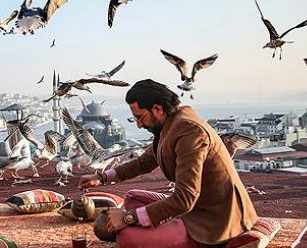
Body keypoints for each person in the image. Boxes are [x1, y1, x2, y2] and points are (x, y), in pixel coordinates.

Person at [79, 79, 258, 248]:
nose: (139, 125)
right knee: (133, 197)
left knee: (127, 239)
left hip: (214, 218)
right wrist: (101, 177)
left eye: (140, 118)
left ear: (157, 109)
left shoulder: (189, 132)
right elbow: (144, 162)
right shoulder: (170, 124)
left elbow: (184, 199)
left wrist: (127, 218)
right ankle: (163, 225)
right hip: (193, 206)